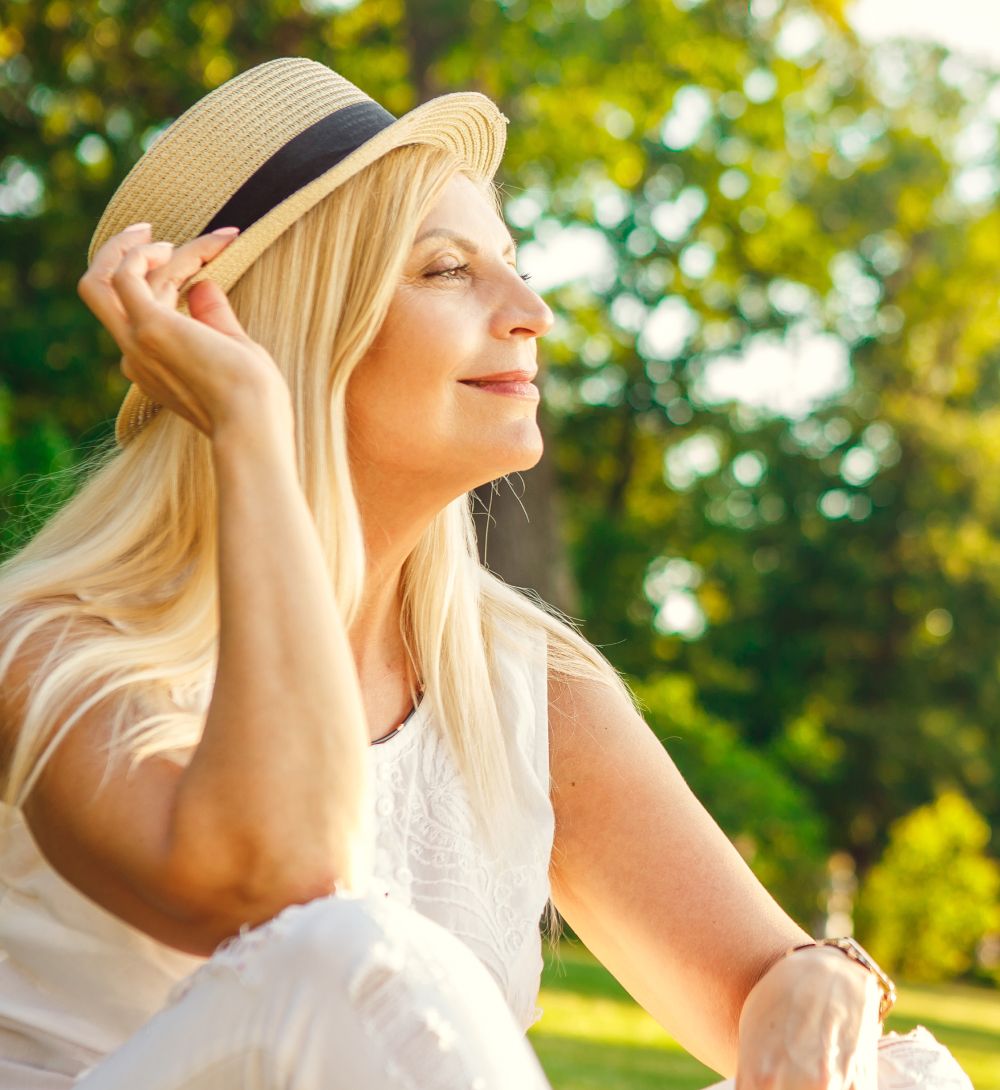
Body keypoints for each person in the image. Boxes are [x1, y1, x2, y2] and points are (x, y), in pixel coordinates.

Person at [0, 57, 972, 1090]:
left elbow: (771, 987)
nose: (530, 311)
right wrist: (250, 428)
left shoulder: (517, 677)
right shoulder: (60, 640)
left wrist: (824, 978)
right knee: (352, 958)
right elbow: (282, 886)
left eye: (510, 261)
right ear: (279, 327)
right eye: (445, 270)